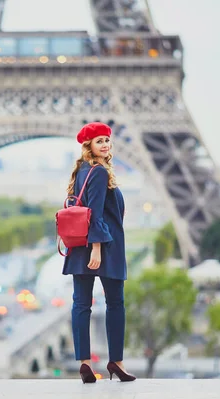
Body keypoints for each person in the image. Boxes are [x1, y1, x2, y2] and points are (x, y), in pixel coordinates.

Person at [62, 122, 136, 383]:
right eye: (99, 141)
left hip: (78, 247)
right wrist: (97, 248)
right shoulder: (99, 172)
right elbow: (93, 211)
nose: (105, 145)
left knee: (81, 305)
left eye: (107, 140)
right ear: (88, 145)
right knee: (115, 304)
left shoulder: (81, 170)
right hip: (105, 247)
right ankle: (116, 362)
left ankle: (84, 362)